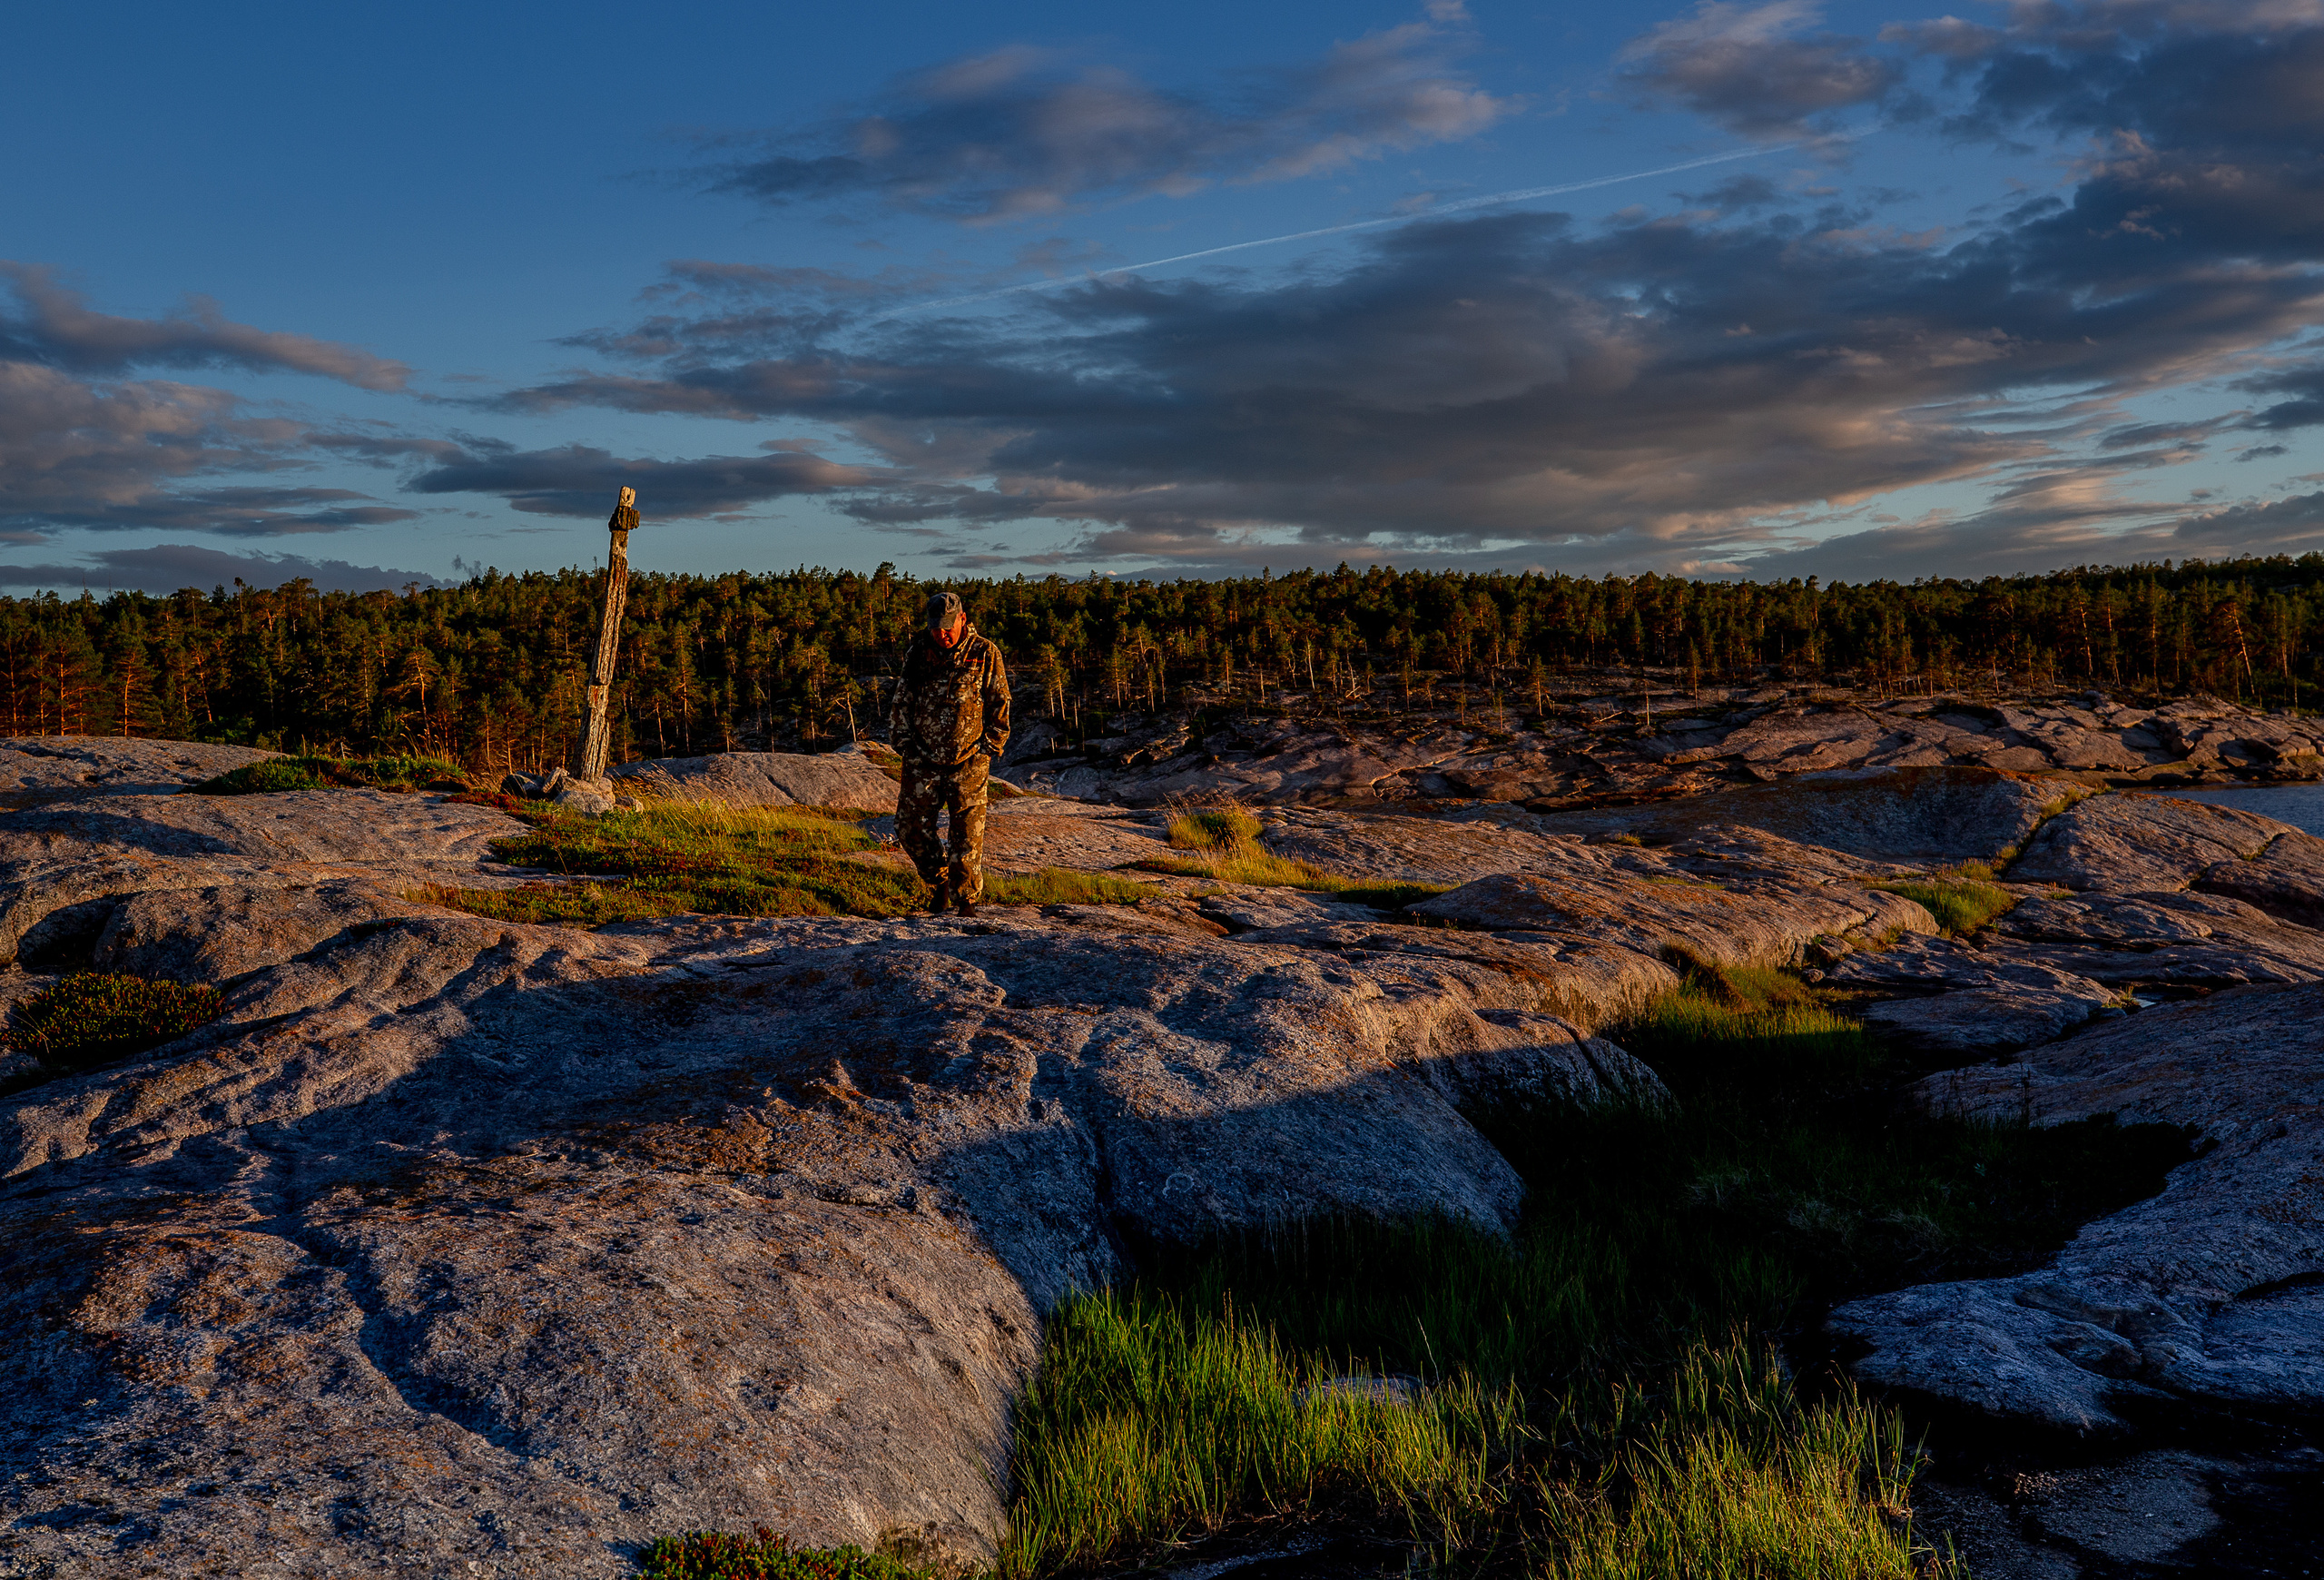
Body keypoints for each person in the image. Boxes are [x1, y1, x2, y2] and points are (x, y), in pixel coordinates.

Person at [890, 590, 1010, 916]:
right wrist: (904, 745)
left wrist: (989, 747)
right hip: (922, 759)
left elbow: (1000, 702)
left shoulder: (984, 652)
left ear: (962, 619)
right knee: (910, 828)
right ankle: (939, 881)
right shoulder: (918, 653)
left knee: (967, 835)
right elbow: (902, 700)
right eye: (936, 628)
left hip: (969, 760)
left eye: (947, 627)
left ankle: (965, 901)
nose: (942, 634)